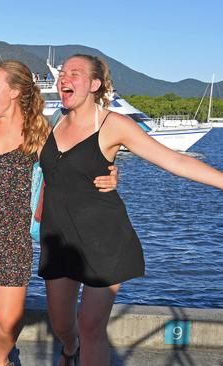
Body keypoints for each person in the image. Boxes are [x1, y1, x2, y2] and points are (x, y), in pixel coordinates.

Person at [38, 54, 223, 366]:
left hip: (104, 239)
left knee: (91, 324)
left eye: (75, 73)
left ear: (95, 84)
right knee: (60, 323)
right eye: (63, 73)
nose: (63, 78)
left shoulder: (114, 125)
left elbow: (174, 161)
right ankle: (70, 349)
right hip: (59, 237)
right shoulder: (52, 121)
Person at [0, 60, 118, 366]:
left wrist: (111, 174)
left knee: (7, 320)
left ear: (15, 92)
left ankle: (4, 357)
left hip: (12, 237)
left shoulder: (40, 134)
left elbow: (77, 167)